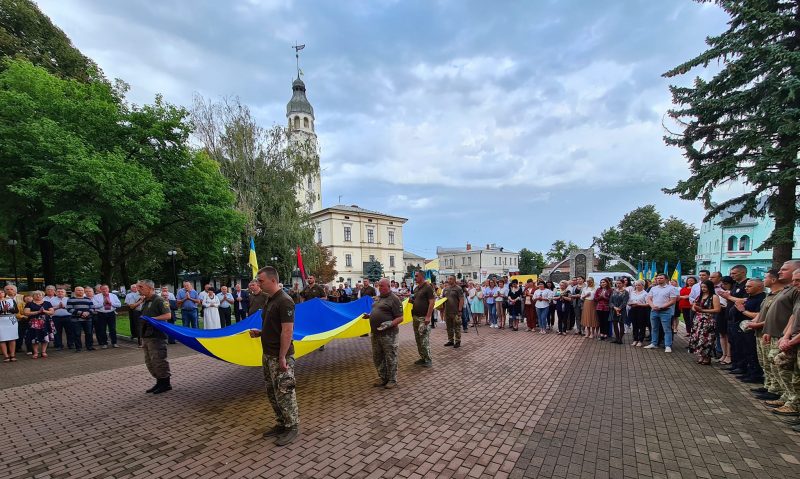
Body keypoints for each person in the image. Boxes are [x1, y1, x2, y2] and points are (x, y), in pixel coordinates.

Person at [249, 266, 300, 446]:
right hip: (268, 354)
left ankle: (292, 426)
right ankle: (281, 423)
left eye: (260, 281)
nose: (257, 283)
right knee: (273, 392)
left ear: (272, 280)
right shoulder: (269, 299)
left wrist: (282, 357)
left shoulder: (285, 301)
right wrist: (261, 333)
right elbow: (275, 327)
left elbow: (287, 331)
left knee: (285, 392)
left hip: (280, 356)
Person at [756, 261, 800, 412]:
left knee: (787, 370)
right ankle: (785, 397)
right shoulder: (788, 289)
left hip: (788, 338)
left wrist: (787, 336)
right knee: (775, 365)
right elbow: (793, 316)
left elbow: (792, 315)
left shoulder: (794, 291)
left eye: (784, 269)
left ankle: (792, 402)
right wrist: (779, 333)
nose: (780, 272)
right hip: (780, 335)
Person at [365, 278, 403, 389]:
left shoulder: (394, 299)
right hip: (376, 333)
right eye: (378, 286)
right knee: (377, 357)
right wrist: (370, 315)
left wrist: (390, 324)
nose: (379, 288)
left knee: (390, 356)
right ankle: (383, 377)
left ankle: (392, 379)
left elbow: (400, 318)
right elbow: (376, 310)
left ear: (388, 286)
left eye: (382, 286)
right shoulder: (378, 298)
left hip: (389, 334)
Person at [137, 280, 173, 394]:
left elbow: (168, 315)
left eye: (141, 287)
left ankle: (165, 384)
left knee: (159, 360)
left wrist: (152, 319)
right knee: (150, 361)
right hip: (147, 335)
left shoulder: (159, 300)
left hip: (157, 336)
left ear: (150, 288)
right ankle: (159, 382)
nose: (139, 289)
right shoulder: (146, 301)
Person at [775, 267, 800, 418]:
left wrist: (791, 341)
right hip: (793, 341)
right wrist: (786, 336)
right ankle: (791, 402)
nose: (795, 283)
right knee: (794, 375)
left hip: (795, 341)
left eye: (798, 280)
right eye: (794, 280)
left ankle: (794, 405)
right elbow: (793, 316)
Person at [733, 279, 766, 383]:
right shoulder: (749, 297)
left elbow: (759, 315)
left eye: (749, 286)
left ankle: (755, 375)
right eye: (746, 286)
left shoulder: (761, 299)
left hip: (752, 329)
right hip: (742, 328)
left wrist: (743, 310)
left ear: (759, 287)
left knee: (753, 352)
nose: (746, 288)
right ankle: (748, 371)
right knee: (745, 350)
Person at [644, 274, 679, 353]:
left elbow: (673, 301)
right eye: (658, 278)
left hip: (666, 311)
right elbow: (649, 299)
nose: (659, 279)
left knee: (667, 329)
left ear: (666, 279)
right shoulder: (653, 288)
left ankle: (668, 345)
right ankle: (654, 343)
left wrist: (662, 307)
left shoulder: (671, 288)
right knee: (654, 328)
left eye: (661, 278)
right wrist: (652, 306)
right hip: (654, 311)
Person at [689, 280, 721, 364]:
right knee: (697, 338)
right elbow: (693, 307)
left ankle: (707, 356)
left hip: (708, 320)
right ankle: (700, 355)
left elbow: (717, 309)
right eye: (702, 287)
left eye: (705, 287)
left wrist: (702, 310)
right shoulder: (699, 296)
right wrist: (696, 307)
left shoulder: (714, 297)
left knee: (707, 339)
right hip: (698, 319)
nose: (703, 289)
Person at [411, 270, 434, 367]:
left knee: (424, 339)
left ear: (421, 276)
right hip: (415, 317)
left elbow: (432, 302)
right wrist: (411, 301)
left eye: (416, 276)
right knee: (418, 339)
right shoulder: (416, 288)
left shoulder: (428, 287)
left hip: (423, 317)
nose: (415, 278)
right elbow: (416, 300)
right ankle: (423, 357)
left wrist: (428, 316)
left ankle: (428, 360)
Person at [24, 291, 54, 359]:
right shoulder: (29, 304)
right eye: (36, 295)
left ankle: (43, 351)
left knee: (45, 337)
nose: (38, 296)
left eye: (40, 295)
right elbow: (26, 313)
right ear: (33, 296)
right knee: (35, 337)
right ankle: (35, 352)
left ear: (43, 296)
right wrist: (37, 312)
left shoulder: (47, 303)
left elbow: (52, 312)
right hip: (34, 323)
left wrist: (44, 311)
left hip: (45, 322)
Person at [92, 284, 121, 349]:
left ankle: (114, 343)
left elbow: (119, 304)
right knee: (102, 329)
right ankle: (104, 343)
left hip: (111, 314)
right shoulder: (96, 297)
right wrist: (103, 303)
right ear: (100, 290)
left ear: (108, 289)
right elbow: (94, 306)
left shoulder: (113, 296)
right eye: (103, 289)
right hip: (101, 314)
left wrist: (111, 303)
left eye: (106, 288)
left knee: (112, 329)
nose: (104, 290)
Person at [67, 286, 95, 352]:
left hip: (88, 319)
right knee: (77, 334)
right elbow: (69, 309)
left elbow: (92, 308)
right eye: (78, 290)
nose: (80, 291)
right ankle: (78, 348)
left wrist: (88, 313)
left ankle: (89, 346)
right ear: (75, 291)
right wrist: (81, 313)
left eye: (82, 290)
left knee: (89, 333)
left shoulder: (88, 299)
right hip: (76, 320)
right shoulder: (70, 299)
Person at [441, 275, 465, 348]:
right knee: (449, 327)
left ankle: (457, 341)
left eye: (451, 279)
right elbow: (443, 299)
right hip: (447, 311)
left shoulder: (458, 288)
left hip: (456, 311)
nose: (449, 280)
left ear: (454, 280)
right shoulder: (445, 289)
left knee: (457, 327)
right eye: (448, 279)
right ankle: (450, 340)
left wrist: (460, 310)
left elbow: (461, 299)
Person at [6, 285, 29, 355]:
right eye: (7, 289)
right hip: (9, 319)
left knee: (20, 334)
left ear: (15, 290)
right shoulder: (3, 298)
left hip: (22, 318)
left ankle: (18, 347)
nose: (9, 290)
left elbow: (27, 306)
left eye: (11, 289)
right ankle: (10, 349)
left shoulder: (22, 297)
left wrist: (23, 315)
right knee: (10, 334)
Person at [628, 281, 650, 347]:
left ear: (643, 286)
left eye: (639, 285)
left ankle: (640, 340)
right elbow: (629, 301)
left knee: (641, 325)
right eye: (636, 285)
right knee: (634, 325)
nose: (637, 286)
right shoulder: (632, 293)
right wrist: (630, 304)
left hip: (642, 310)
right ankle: (635, 339)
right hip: (633, 309)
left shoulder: (645, 294)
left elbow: (648, 304)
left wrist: (638, 304)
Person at [0, 289, 19, 361]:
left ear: (4, 293)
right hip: (1, 320)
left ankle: (12, 355)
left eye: (2, 292)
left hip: (11, 320)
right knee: (2, 338)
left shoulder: (11, 300)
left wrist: (9, 309)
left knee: (12, 337)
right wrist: (3, 310)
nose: (1, 293)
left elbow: (16, 311)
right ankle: (6, 356)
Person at [609, 279, 629, 344]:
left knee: (621, 324)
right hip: (613, 310)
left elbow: (624, 302)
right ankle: (617, 338)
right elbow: (610, 301)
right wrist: (614, 307)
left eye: (620, 283)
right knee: (614, 324)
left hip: (622, 310)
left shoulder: (626, 292)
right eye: (617, 283)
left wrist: (619, 308)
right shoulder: (614, 291)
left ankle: (620, 339)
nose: (618, 284)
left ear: (623, 284)